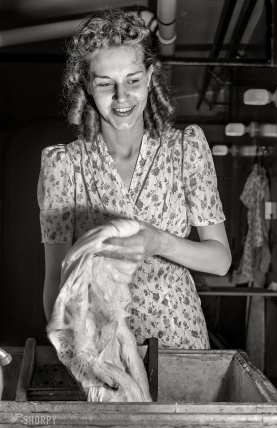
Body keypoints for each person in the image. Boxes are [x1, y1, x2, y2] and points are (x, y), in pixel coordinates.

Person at [37, 8, 232, 350]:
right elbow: (57, 276)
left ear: (150, 76)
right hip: (102, 343)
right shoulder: (63, 166)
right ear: (87, 86)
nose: (122, 97)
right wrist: (75, 350)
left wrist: (159, 242)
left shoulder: (185, 149)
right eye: (105, 84)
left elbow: (220, 260)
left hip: (179, 338)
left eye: (132, 79)